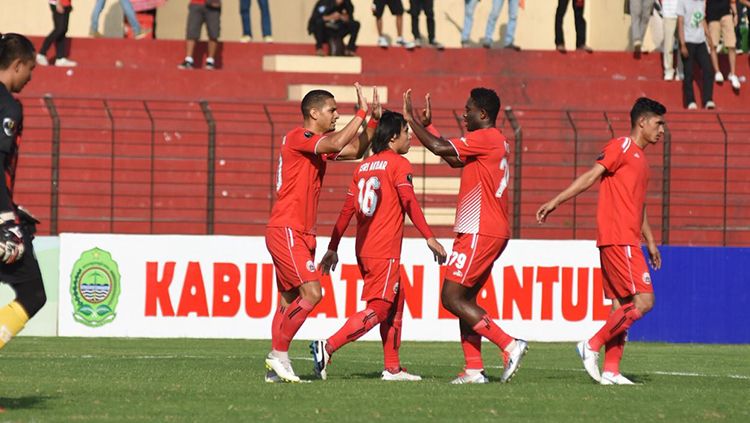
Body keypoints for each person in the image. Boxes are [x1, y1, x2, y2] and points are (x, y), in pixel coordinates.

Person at [311, 103, 447, 382]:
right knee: (382, 307)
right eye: (406, 131)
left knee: (396, 302)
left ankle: (393, 367)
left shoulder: (363, 167)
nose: (410, 136)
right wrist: (429, 237)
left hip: (364, 248)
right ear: (393, 137)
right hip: (383, 249)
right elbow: (409, 201)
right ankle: (327, 346)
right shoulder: (398, 164)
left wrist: (333, 248)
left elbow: (346, 210)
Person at [537, 97, 666, 386]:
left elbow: (638, 205)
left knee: (621, 306)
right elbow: (591, 176)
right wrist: (557, 200)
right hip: (618, 238)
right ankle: (591, 344)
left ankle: (611, 370)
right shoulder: (621, 147)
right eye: (658, 123)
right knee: (644, 301)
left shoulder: (642, 160)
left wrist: (651, 241)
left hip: (627, 239)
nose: (662, 130)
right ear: (642, 122)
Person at [403, 88, 528, 384]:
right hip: (483, 228)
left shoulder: (485, 138)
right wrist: (429, 125)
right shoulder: (492, 141)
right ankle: (474, 369)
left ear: (482, 114)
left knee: (451, 296)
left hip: (480, 228)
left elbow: (436, 148)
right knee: (465, 299)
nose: (464, 113)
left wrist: (410, 120)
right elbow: (454, 159)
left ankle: (510, 345)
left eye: (468, 109)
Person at [264, 84, 374, 383]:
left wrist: (373, 121)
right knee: (313, 293)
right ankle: (277, 355)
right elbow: (339, 142)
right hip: (287, 228)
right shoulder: (299, 136)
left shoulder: (316, 147)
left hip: (300, 232)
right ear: (314, 113)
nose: (337, 115)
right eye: (332, 110)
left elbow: (354, 149)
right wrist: (361, 112)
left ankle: (277, 366)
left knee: (288, 301)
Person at [0, 33, 48, 359]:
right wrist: (6, 219)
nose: (30, 76)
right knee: (32, 292)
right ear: (17, 65)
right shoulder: (6, 106)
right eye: (29, 68)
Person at [677, 0, 715, 109]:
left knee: (708, 69)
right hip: (688, 41)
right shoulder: (683, 2)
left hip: (700, 41)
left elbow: (702, 20)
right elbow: (680, 22)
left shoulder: (701, 2)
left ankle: (708, 100)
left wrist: (709, 38)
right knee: (688, 72)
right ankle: (690, 101)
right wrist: (682, 44)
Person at [706, 0, 741, 90]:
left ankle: (733, 74)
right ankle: (717, 71)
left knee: (731, 44)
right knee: (713, 45)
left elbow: (732, 1)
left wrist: (735, 13)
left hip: (726, 13)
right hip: (712, 15)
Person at [178, 0, 222, 70]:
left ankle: (210, 61)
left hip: (213, 4)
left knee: (214, 32)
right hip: (196, 3)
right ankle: (188, 60)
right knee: (191, 31)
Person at [37, 0, 78, 67]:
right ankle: (42, 53)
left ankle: (60, 58)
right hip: (59, 3)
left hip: (65, 3)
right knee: (59, 29)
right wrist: (58, 2)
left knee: (63, 30)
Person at [660, 0, 684, 80]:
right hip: (669, 12)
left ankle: (680, 70)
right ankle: (668, 70)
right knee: (668, 43)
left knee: (682, 43)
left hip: (683, 13)